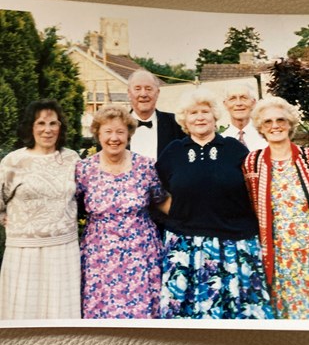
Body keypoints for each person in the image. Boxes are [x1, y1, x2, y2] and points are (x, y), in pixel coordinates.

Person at [155, 88, 273, 319]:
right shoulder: (173, 152)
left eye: (205, 111)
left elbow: (253, 190)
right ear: (184, 119)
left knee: (237, 313)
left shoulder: (234, 149)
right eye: (193, 113)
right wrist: (175, 217)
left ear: (214, 116)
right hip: (186, 246)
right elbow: (155, 193)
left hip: (233, 243)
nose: (200, 117)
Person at [75, 105, 168, 319]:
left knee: (142, 314)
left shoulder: (146, 166)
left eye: (120, 132)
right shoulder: (83, 169)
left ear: (129, 134)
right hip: (99, 254)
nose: (114, 138)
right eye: (108, 131)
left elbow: (162, 201)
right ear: (98, 134)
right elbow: (71, 206)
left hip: (141, 252)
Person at [0, 99, 81, 319]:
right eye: (41, 123)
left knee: (62, 317)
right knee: (22, 315)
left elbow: (84, 197)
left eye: (53, 123)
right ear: (31, 127)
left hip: (64, 248)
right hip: (24, 250)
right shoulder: (14, 162)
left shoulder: (72, 159)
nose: (48, 130)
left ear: (60, 127)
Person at [242, 96, 309, 319]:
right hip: (278, 252)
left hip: (307, 247)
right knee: (286, 313)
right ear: (260, 128)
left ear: (290, 123)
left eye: (281, 120)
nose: (275, 126)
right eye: (268, 122)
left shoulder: (307, 157)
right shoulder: (253, 161)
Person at [127, 69, 185, 160]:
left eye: (148, 89)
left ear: (157, 93)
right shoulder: (116, 125)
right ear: (129, 93)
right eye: (137, 89)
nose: (143, 94)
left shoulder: (177, 123)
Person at [222, 82, 267, 151]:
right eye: (232, 99)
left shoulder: (265, 137)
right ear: (225, 104)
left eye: (244, 98)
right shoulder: (221, 140)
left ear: (253, 103)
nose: (238, 103)